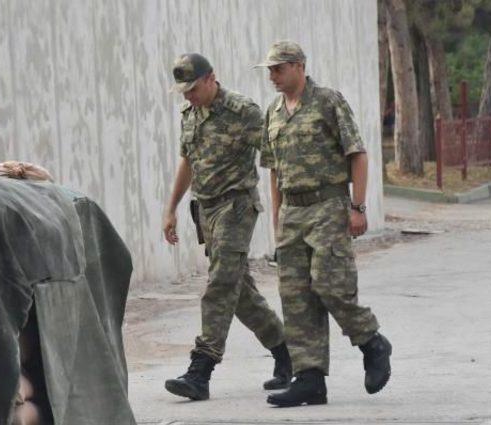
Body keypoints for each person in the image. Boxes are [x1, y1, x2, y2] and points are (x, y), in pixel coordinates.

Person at [254, 40, 392, 407]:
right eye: (269, 70)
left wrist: (358, 206)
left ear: (299, 66)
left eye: (278, 68)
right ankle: (310, 378)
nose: (272, 76)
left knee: (331, 285)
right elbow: (273, 171)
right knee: (296, 295)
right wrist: (277, 220)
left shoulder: (328, 101)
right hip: (293, 214)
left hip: (329, 205)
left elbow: (357, 154)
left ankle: (372, 343)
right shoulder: (273, 113)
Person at [162, 53, 291, 401]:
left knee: (220, 284)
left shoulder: (242, 111)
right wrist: (170, 208)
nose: (188, 96)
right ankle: (286, 352)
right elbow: (187, 162)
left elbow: (276, 156)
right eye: (183, 92)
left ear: (210, 79)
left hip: (236, 206)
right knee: (239, 292)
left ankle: (200, 370)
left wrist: (290, 208)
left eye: (192, 89)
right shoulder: (189, 115)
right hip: (205, 209)